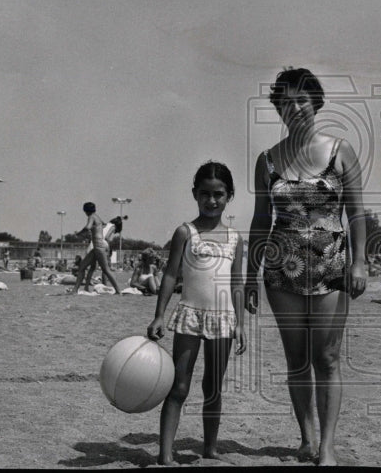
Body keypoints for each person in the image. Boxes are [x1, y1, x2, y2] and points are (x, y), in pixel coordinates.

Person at [245, 68, 368, 466]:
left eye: (301, 99)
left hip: (332, 267)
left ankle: (328, 447)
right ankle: (306, 437)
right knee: (296, 359)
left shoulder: (340, 150)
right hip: (282, 272)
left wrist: (360, 262)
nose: (294, 107)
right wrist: (250, 275)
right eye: (285, 101)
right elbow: (261, 220)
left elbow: (357, 213)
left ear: (316, 102)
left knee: (327, 358)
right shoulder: (267, 160)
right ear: (278, 109)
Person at [147, 161, 246, 465]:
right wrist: (159, 315)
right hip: (190, 314)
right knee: (178, 385)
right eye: (205, 194)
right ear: (195, 194)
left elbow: (237, 283)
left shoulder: (235, 239)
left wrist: (240, 325)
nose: (212, 200)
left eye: (219, 194)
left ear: (229, 195)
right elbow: (169, 275)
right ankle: (165, 455)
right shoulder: (184, 232)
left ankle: (211, 449)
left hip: (224, 319)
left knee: (213, 387)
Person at [69, 203, 122, 295]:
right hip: (99, 246)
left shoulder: (91, 217)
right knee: (82, 267)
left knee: (105, 269)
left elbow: (87, 227)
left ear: (85, 211)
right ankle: (75, 290)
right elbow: (103, 225)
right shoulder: (97, 217)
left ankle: (118, 291)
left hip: (98, 246)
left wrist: (78, 234)